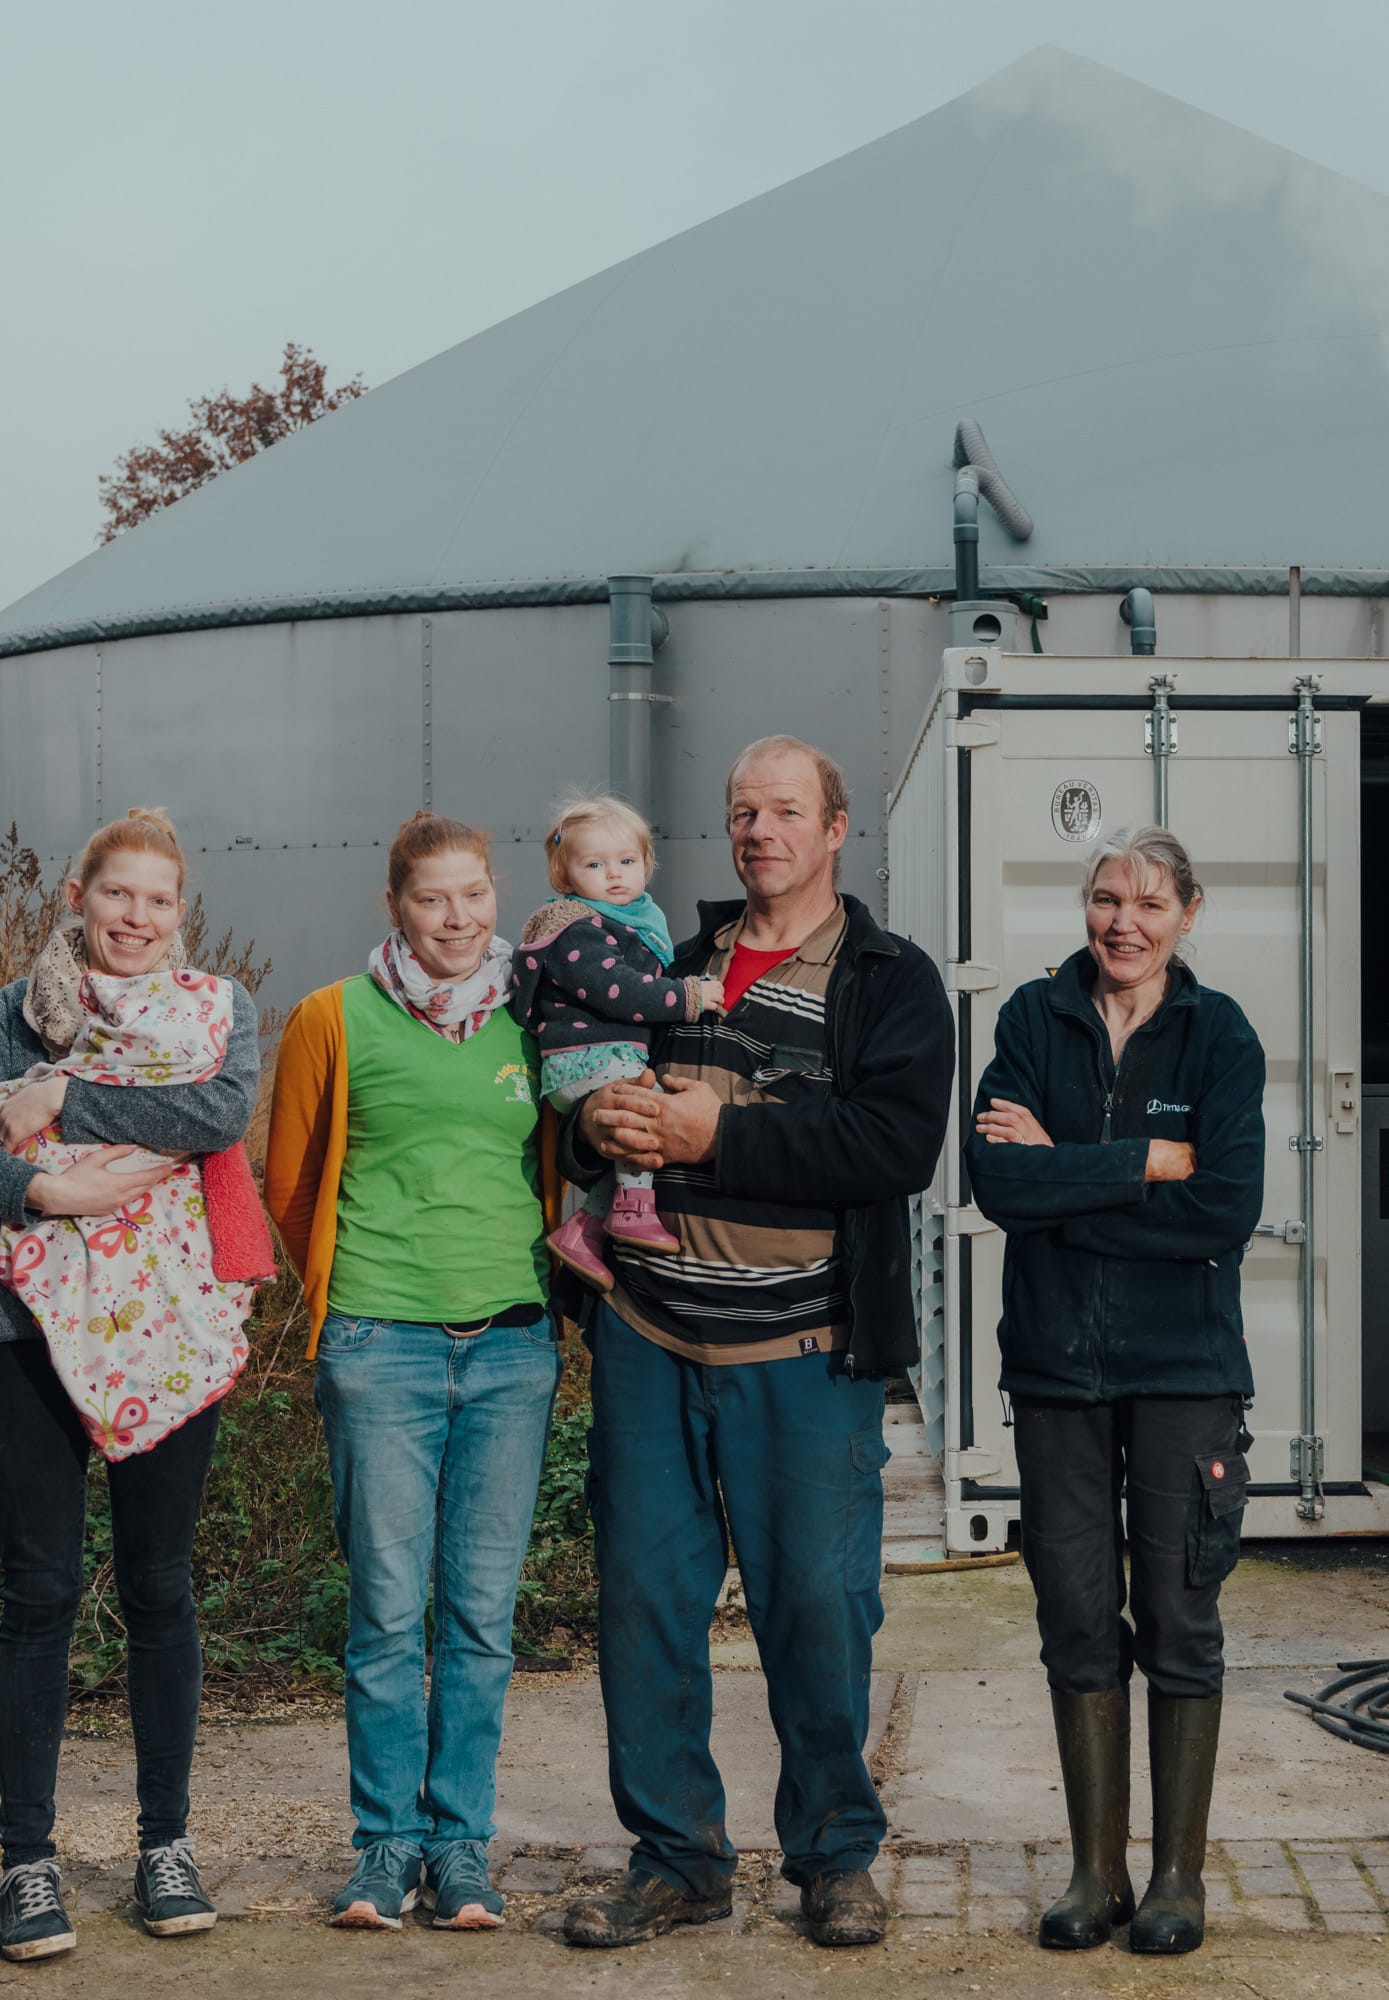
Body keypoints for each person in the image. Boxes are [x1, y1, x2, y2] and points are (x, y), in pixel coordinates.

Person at [556, 735, 950, 1950]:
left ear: (836, 829)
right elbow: (587, 1098)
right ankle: (678, 1856)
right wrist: (595, 1118)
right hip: (650, 1334)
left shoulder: (887, 978)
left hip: (802, 1351)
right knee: (646, 1607)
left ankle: (833, 1853)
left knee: (820, 1611)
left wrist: (708, 1133)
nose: (759, 830)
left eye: (785, 809)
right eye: (741, 811)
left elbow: (893, 1146)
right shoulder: (672, 963)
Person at [0, 806, 270, 1963]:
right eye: (118, 894)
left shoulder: (216, 1011)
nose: (137, 916)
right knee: (41, 1588)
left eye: (159, 899)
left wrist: (61, 1101)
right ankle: (29, 1861)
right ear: (78, 896)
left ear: (180, 913)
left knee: (160, 1583)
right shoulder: (23, 1011)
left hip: (168, 1323)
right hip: (20, 1327)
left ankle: (166, 1843)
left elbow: (217, 1112)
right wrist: (43, 1195)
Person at [965, 827, 1266, 1956]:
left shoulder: (1220, 1034)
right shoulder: (1030, 1019)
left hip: (1186, 1368)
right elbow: (1000, 1179)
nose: (1122, 922)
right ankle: (1097, 1872)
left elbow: (1225, 1208)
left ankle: (1178, 1877)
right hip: (1056, 1367)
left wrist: (1068, 1174)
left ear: (1190, 910)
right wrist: (1145, 1159)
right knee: (1076, 1613)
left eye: (1147, 901)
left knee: (1181, 1616)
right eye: (1104, 899)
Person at [263, 811, 562, 1933]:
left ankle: (463, 1848)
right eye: (434, 897)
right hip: (379, 1344)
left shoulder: (532, 1018)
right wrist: (354, 1301)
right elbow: (291, 1183)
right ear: (394, 904)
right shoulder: (332, 1017)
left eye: (476, 894)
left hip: (511, 1345)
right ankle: (385, 1846)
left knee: (481, 1616)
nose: (459, 917)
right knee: (389, 1611)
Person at [513, 794, 724, 1289]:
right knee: (643, 1112)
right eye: (595, 864)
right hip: (585, 1058)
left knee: (623, 1137)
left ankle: (584, 1230)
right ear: (566, 877)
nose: (614, 874)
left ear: (646, 864)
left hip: (601, 1056)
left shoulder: (629, 920)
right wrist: (687, 997)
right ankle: (633, 1210)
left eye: (627, 861)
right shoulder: (576, 928)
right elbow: (619, 991)